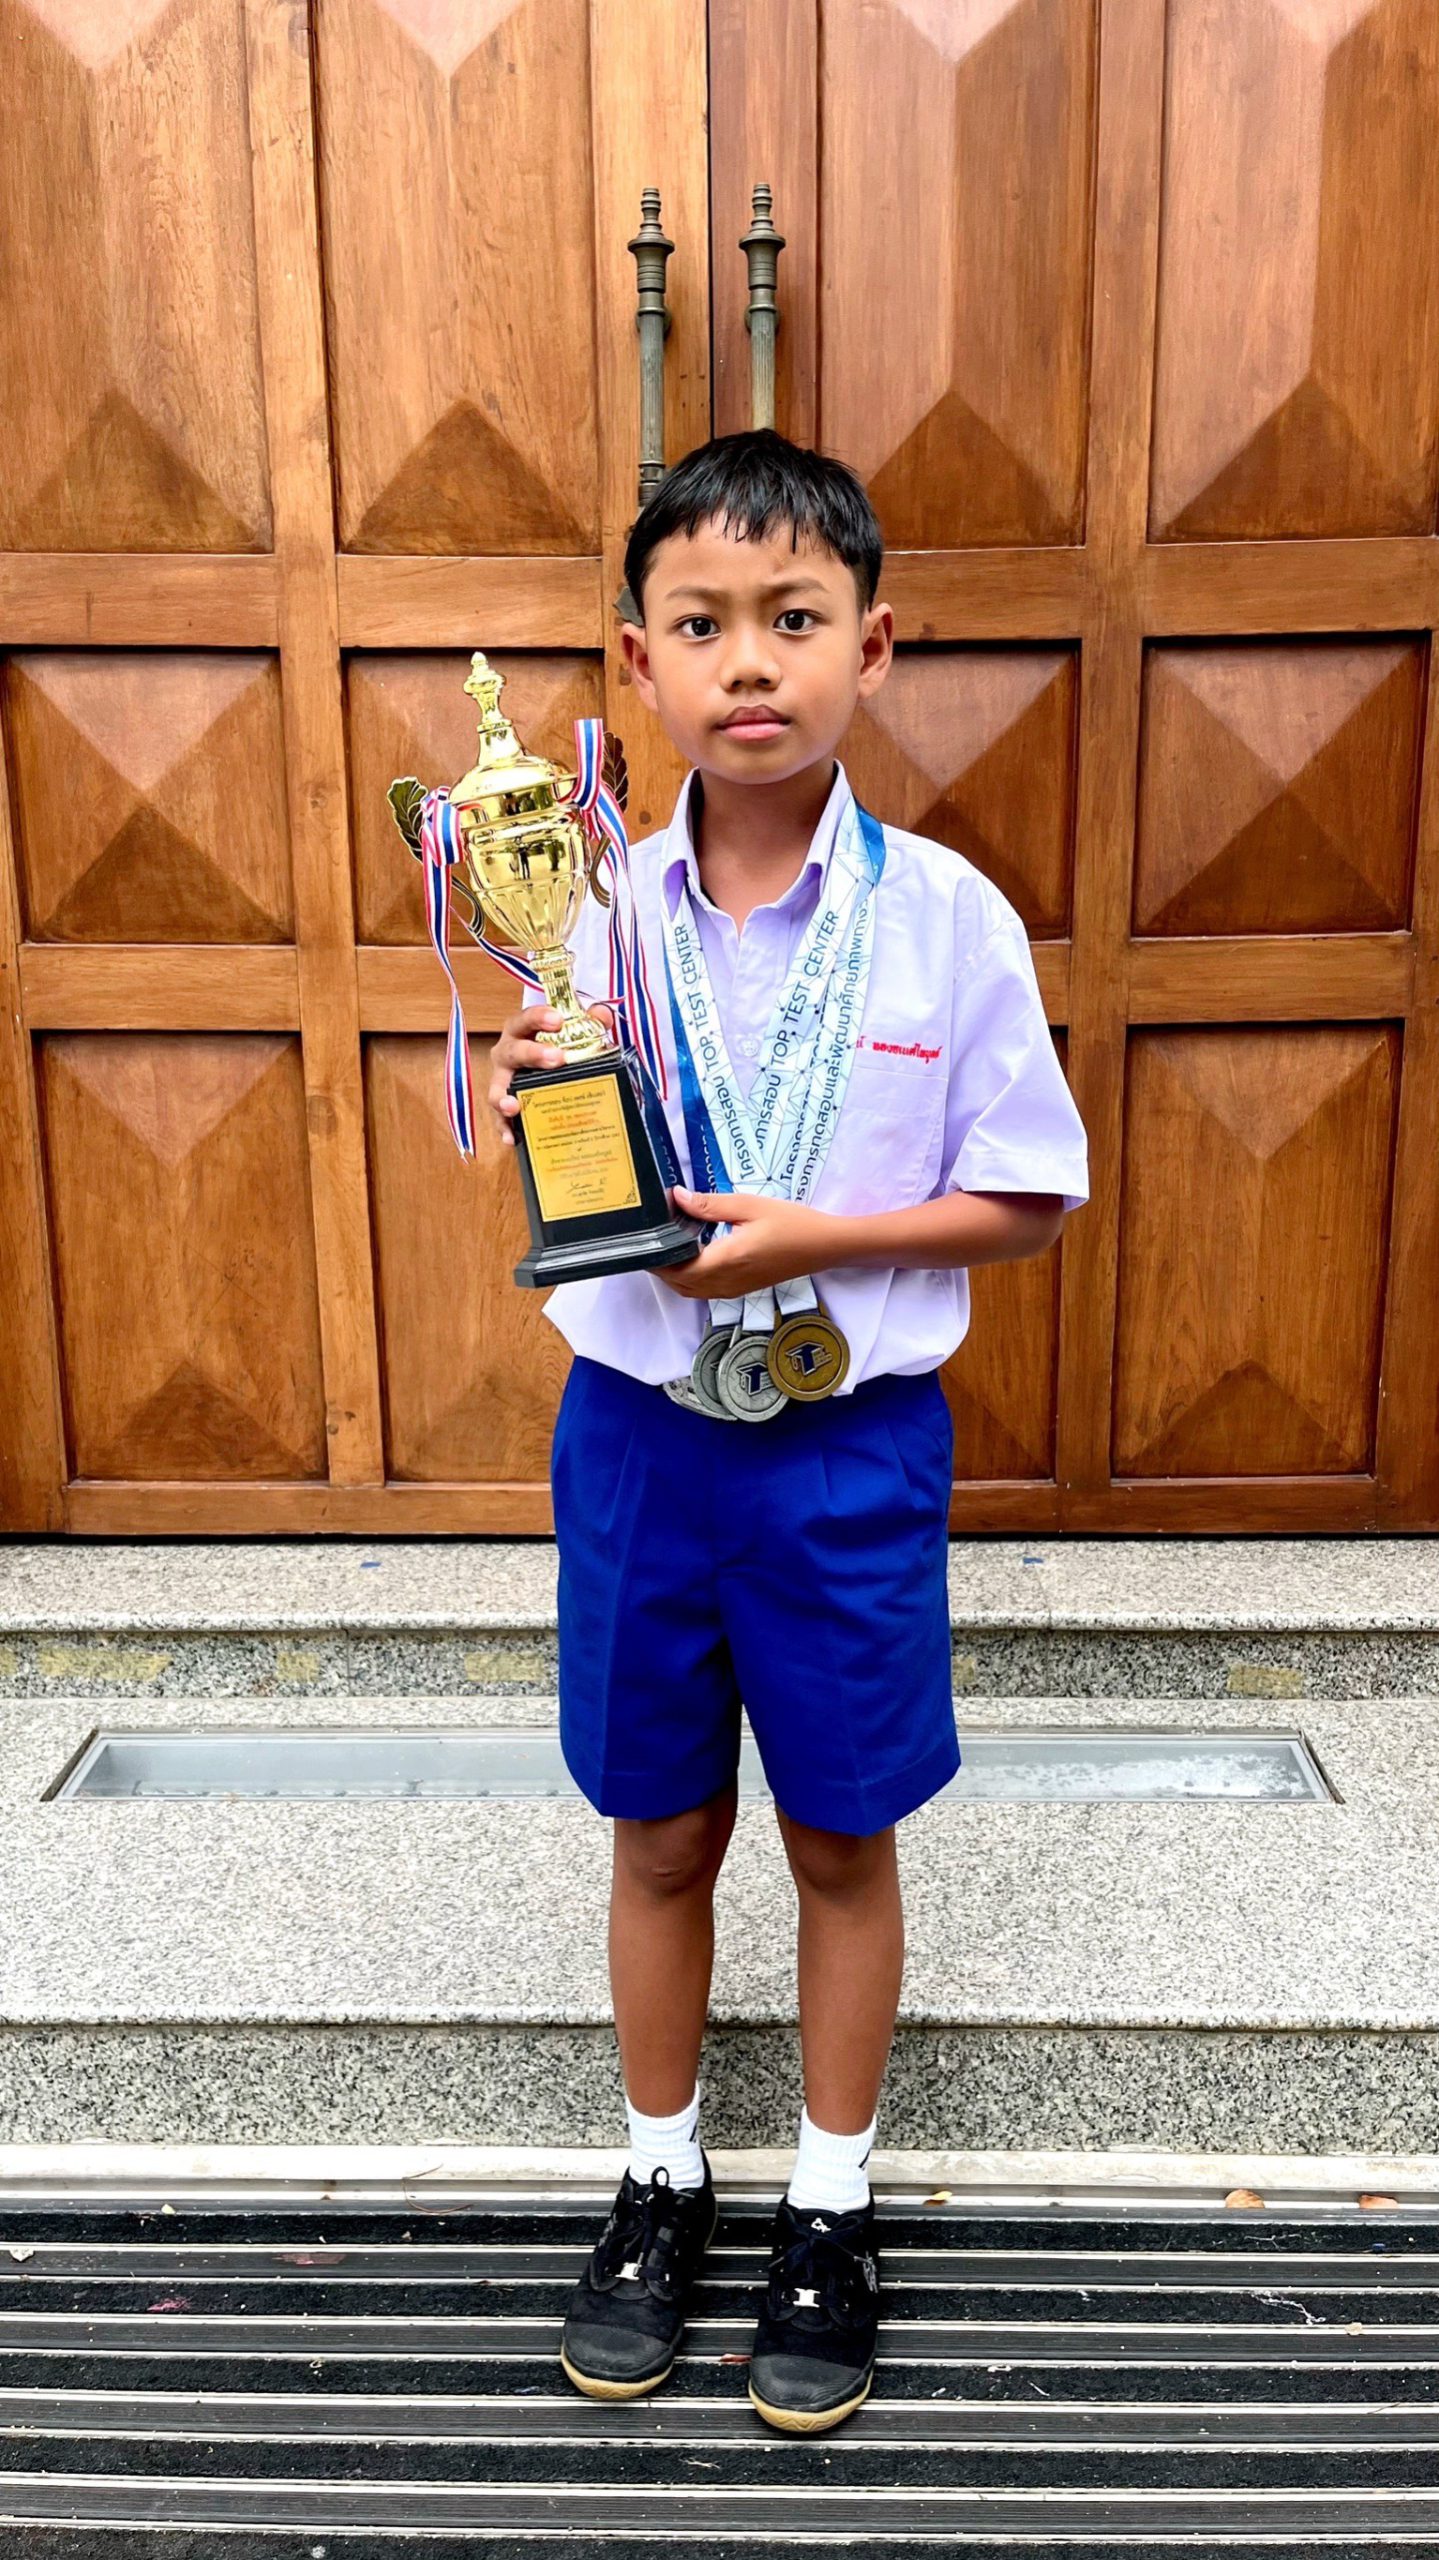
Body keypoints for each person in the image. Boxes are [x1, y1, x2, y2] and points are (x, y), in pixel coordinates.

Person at [488, 428, 1089, 2434]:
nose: (749, 661)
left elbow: (1029, 1194)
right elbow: (549, 1163)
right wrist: (534, 1077)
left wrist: (825, 1236)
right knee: (661, 1824)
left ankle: (831, 2199)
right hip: (642, 1438)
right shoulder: (582, 913)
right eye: (701, 623)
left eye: (795, 617)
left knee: (842, 1827)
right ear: (637, 660)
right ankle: (662, 2170)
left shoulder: (947, 923)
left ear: (873, 645)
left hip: (846, 1448)